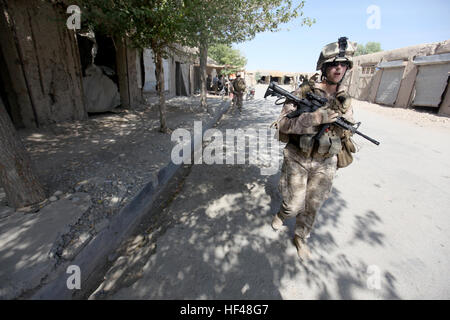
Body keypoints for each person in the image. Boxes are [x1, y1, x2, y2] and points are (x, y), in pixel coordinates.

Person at [271, 37, 357, 260]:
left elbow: (348, 126)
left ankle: (300, 238)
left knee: (313, 205)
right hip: (298, 156)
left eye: (343, 64)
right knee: (293, 204)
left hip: (326, 161)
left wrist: (345, 124)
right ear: (325, 67)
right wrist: (316, 117)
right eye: (334, 64)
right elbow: (283, 124)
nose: (339, 68)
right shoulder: (304, 92)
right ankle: (283, 213)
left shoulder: (344, 98)